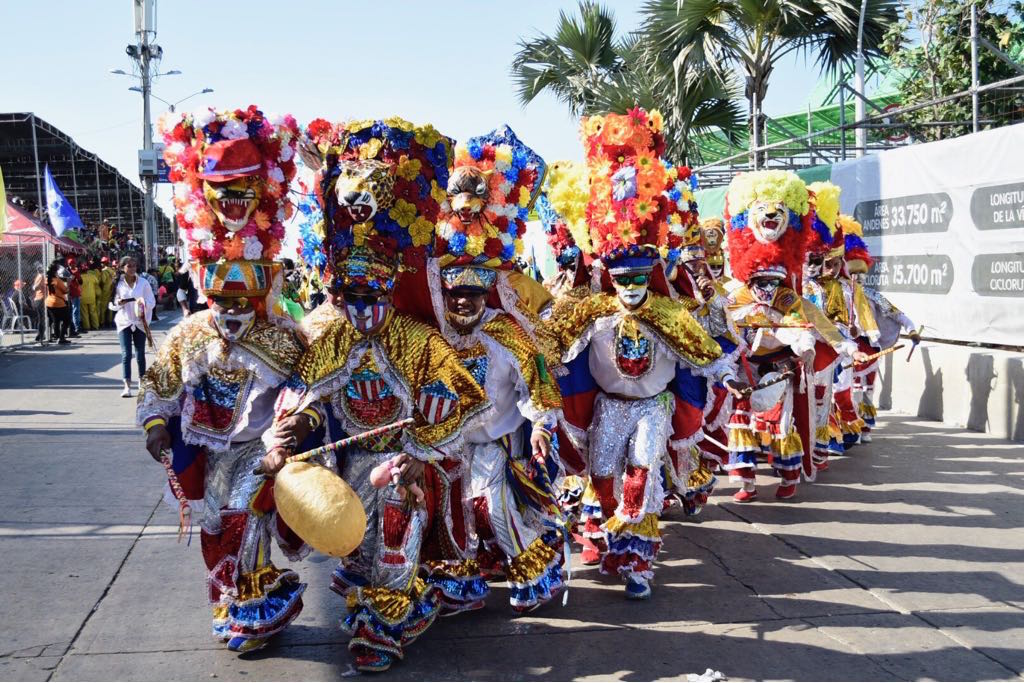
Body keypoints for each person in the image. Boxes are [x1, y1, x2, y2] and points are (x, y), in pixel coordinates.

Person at [271, 117, 489, 672]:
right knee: (357, 550)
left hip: (405, 460)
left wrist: (417, 452)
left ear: (390, 287)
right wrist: (299, 428)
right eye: (352, 294)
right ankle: (387, 598)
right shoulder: (333, 336)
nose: (363, 307)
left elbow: (455, 396)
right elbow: (309, 395)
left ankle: (383, 624)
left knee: (393, 524)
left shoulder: (417, 340)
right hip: (348, 463)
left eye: (373, 294)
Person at [545, 109, 738, 600]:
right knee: (604, 476)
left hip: (652, 409)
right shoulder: (589, 311)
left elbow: (707, 356)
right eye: (621, 278)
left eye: (638, 276)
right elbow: (548, 348)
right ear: (609, 276)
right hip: (608, 408)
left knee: (642, 475)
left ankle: (639, 559)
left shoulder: (672, 315)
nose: (630, 286)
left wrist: (726, 373)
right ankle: (613, 539)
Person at [140, 105, 308, 655]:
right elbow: (161, 380)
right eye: (221, 301)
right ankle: (237, 602)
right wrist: (155, 425)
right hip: (208, 449)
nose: (231, 313)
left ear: (259, 296)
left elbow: (304, 390)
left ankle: (252, 604)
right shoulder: (189, 333)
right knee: (214, 526)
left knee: (241, 515)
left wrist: (289, 437)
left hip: (255, 452)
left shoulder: (282, 337)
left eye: (242, 302)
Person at [427, 126, 566, 613]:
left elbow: (537, 379)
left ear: (489, 292)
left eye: (473, 292)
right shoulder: (434, 333)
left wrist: (544, 424)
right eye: (455, 292)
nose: (463, 300)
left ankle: (534, 565)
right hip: (450, 445)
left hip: (498, 441)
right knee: (455, 515)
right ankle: (466, 577)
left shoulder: (505, 332)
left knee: (491, 506)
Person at [720, 171, 860, 502]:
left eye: (772, 283)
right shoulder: (735, 297)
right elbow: (723, 329)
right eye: (760, 284)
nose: (766, 290)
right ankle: (747, 481)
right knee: (740, 419)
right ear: (749, 281)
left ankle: (788, 474)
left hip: (780, 368)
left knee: (780, 423)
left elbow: (804, 326)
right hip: (746, 367)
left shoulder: (787, 298)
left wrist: (814, 348)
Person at [110, 256, 155, 397]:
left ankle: (142, 382)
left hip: (140, 322)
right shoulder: (118, 284)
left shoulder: (144, 283)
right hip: (124, 322)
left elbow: (151, 301)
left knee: (140, 354)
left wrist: (142, 304)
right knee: (126, 355)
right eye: (129, 266)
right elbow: (112, 304)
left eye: (134, 266)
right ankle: (127, 385)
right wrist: (119, 303)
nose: (132, 269)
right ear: (123, 267)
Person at [44, 261, 72, 345]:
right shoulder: (57, 280)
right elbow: (65, 290)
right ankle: (61, 337)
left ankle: (57, 336)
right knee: (67, 320)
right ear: (55, 271)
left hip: (49, 302)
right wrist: (69, 283)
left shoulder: (47, 279)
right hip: (59, 303)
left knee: (56, 321)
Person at [79, 261, 100, 331]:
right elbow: (97, 282)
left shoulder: (79, 277)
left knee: (85, 313)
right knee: (93, 312)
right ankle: (96, 326)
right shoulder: (92, 276)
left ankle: (87, 327)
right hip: (92, 296)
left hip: (82, 297)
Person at [32, 264, 48, 345]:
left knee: (42, 319)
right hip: (41, 299)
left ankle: (40, 336)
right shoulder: (41, 276)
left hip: (40, 299)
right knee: (42, 319)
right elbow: (35, 287)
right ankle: (40, 338)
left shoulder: (40, 276)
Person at [67, 258, 83, 337]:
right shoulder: (71, 272)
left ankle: (76, 327)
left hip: (72, 293)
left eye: (74, 264)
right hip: (73, 293)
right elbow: (80, 282)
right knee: (75, 311)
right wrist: (76, 275)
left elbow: (80, 282)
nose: (74, 265)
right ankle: (76, 327)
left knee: (75, 310)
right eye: (72, 264)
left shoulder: (70, 271)